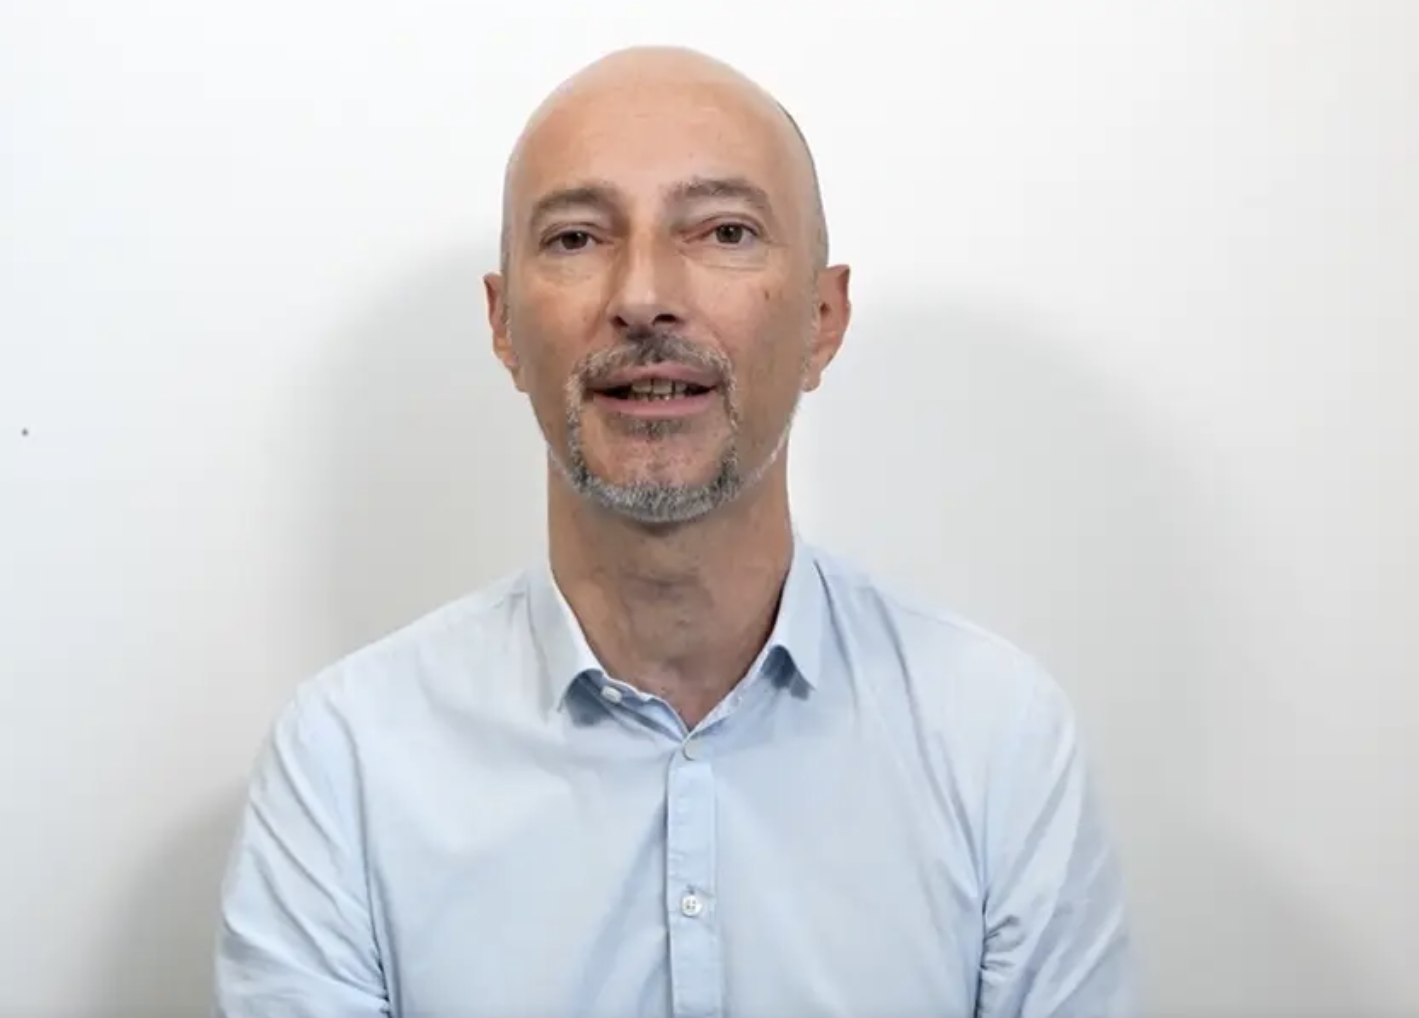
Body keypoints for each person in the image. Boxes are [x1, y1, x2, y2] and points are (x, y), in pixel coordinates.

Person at [213, 45, 1135, 1018]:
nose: (642, 294)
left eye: (724, 231)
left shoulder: (997, 744)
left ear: (823, 319)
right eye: (576, 237)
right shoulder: (346, 766)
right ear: (502, 325)